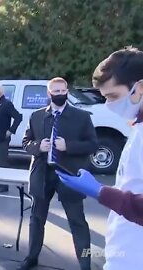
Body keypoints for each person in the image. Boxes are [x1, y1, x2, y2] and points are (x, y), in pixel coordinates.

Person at [56, 47, 143, 269]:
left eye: (113, 96)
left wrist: (101, 192)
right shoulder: (137, 127)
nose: (108, 104)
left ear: (139, 88)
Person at [18, 77, 98, 270]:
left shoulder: (82, 117)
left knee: (77, 221)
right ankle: (32, 257)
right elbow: (25, 142)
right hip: (43, 174)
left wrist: (68, 146)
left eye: (63, 91)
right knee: (36, 219)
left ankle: (85, 264)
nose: (60, 95)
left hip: (69, 175)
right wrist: (38, 146)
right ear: (49, 93)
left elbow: (93, 144)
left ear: (67, 92)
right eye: (56, 92)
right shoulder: (36, 116)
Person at [0, 84, 22, 193]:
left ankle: (4, 185)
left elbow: (18, 117)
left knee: (2, 163)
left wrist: (11, 131)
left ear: (0, 92)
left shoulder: (7, 104)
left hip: (2, 138)